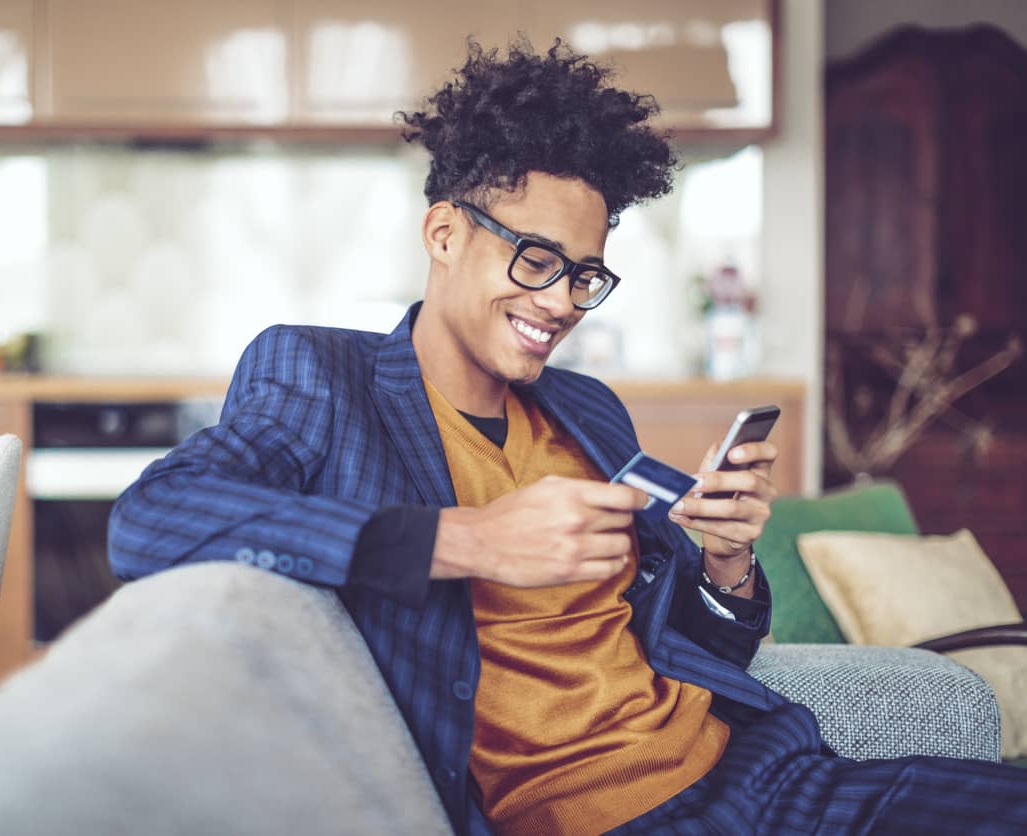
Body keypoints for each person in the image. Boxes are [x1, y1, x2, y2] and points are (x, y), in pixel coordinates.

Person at [109, 40, 1027, 835]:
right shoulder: (321, 377)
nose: (560, 303)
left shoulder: (586, 411)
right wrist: (466, 540)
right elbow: (154, 518)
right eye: (537, 259)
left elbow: (693, 654)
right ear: (444, 234)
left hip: (768, 775)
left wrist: (725, 566)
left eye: (585, 275)